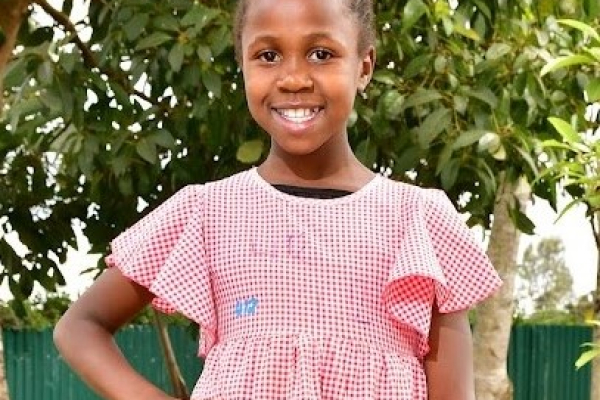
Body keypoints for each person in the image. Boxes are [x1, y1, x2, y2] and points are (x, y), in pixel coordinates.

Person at [53, 0, 502, 398]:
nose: (293, 79)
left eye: (321, 54)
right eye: (268, 56)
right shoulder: (206, 212)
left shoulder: (418, 221)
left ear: (364, 67)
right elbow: (80, 326)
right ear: (242, 65)